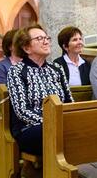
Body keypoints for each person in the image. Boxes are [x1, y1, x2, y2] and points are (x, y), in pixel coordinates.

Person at [7, 24, 73, 157]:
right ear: (26, 48)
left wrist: (71, 118)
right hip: (29, 128)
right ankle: (61, 173)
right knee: (57, 132)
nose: (46, 41)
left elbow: (68, 99)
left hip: (59, 123)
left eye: (47, 38)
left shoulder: (56, 68)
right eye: (39, 38)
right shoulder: (16, 71)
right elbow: (22, 111)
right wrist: (52, 122)